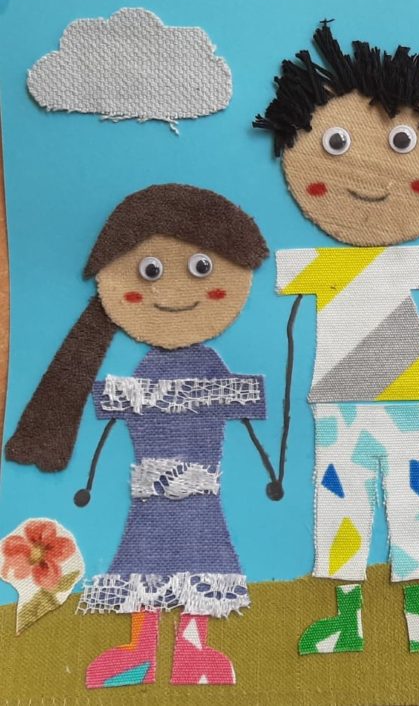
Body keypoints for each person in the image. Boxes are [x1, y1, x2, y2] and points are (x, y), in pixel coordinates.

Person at [253, 21, 419, 655]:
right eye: (337, 143)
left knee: (414, 505)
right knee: (341, 509)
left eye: (401, 142)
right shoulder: (318, 264)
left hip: (411, 400)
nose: (369, 172)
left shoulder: (410, 260)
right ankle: (347, 621)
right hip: (341, 404)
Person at [4, 184, 277, 687]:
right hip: (150, 495)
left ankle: (192, 651)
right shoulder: (147, 365)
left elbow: (243, 404)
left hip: (200, 493)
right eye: (150, 270)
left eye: (201, 267)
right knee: (143, 560)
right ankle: (141, 650)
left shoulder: (207, 365)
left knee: (202, 560)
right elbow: (120, 409)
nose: (172, 290)